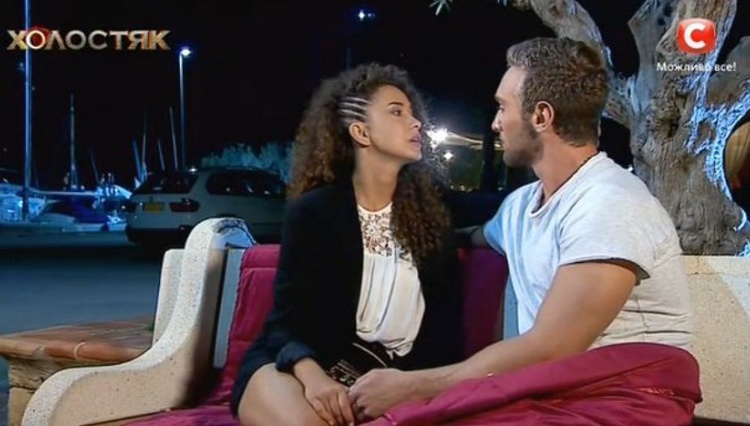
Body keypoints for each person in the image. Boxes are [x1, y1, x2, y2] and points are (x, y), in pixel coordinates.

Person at [348, 37, 700, 424]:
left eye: (503, 107)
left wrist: (413, 386)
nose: (495, 123)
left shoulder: (610, 203)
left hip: (625, 396)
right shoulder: (520, 207)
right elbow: (472, 234)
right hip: (550, 393)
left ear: (542, 116)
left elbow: (553, 347)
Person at [230, 63, 465, 426]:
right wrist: (315, 380)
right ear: (360, 131)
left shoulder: (433, 215)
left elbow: (511, 211)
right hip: (296, 365)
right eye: (397, 112)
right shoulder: (314, 211)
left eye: (413, 112)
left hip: (384, 378)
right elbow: (284, 323)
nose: (416, 123)